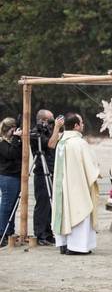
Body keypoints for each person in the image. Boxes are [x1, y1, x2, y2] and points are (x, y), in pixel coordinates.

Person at [49, 114, 101, 256]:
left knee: (64, 211)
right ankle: (77, 246)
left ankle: (64, 243)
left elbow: (50, 145)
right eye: (82, 123)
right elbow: (90, 165)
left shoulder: (62, 142)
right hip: (77, 185)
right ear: (76, 126)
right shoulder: (79, 143)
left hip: (63, 186)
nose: (83, 125)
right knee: (80, 209)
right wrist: (96, 171)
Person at [29, 109, 63, 246]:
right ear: (42, 120)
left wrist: (57, 129)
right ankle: (40, 234)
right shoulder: (35, 133)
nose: (52, 123)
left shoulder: (48, 130)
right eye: (50, 120)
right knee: (42, 204)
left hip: (51, 169)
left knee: (50, 204)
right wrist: (56, 127)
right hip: (41, 172)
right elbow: (51, 144)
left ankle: (48, 233)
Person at [0, 117, 24, 247]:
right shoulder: (2, 142)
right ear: (10, 129)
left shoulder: (13, 141)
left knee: (13, 206)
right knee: (6, 206)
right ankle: (2, 232)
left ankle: (9, 231)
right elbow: (11, 154)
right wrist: (16, 138)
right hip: (8, 177)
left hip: (14, 176)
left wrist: (17, 138)